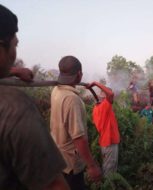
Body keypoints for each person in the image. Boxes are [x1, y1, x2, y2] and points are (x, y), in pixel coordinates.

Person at [0, 4, 70, 190]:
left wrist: (12, 71)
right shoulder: (14, 109)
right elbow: (54, 186)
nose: (14, 54)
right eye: (14, 45)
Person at [50, 56, 102, 190]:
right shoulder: (72, 99)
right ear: (79, 74)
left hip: (58, 158)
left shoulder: (56, 90)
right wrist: (92, 166)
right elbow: (78, 138)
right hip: (71, 165)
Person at [88, 81, 120, 177]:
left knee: (108, 167)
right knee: (109, 172)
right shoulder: (104, 107)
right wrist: (95, 83)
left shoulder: (96, 108)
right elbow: (110, 94)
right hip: (109, 142)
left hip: (106, 142)